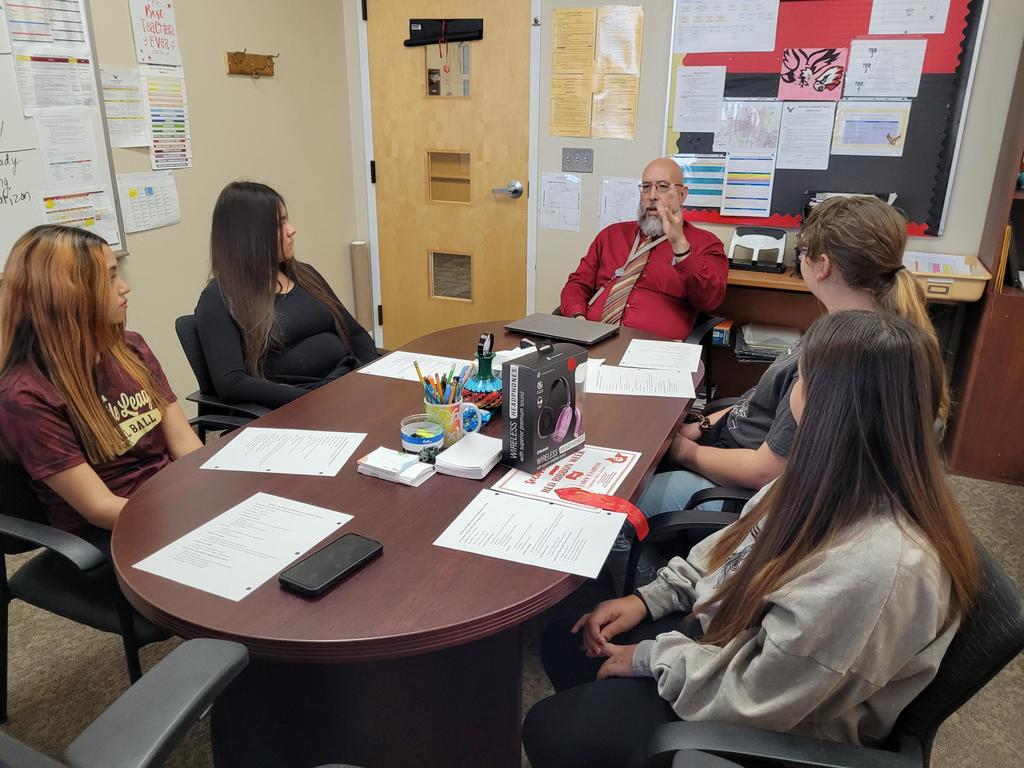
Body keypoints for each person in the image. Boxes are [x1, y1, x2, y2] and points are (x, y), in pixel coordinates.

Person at [522, 311, 980, 768]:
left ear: (828, 406)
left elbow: (761, 697)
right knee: (568, 644)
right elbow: (736, 548)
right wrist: (649, 600)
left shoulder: (880, 567)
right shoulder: (833, 473)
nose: (791, 393)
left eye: (800, 378)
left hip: (773, 725)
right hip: (737, 643)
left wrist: (648, 659)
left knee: (551, 730)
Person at [637, 194, 946, 519]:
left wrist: (685, 453)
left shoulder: (837, 359)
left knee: (627, 503)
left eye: (802, 253)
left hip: (747, 494)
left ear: (823, 266)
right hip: (728, 449)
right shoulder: (843, 329)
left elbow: (763, 472)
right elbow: (760, 403)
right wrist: (702, 424)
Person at [0, 225, 201, 541]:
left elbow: (183, 442)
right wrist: (183, 516)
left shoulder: (131, 348)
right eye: (109, 278)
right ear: (67, 293)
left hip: (172, 503)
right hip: (112, 534)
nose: (124, 287)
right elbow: (99, 507)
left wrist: (212, 494)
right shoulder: (26, 395)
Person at [194, 181, 379, 409]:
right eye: (279, 224)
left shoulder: (305, 274)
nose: (292, 230)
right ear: (250, 237)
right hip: (301, 406)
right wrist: (312, 401)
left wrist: (377, 375)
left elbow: (355, 333)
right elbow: (232, 383)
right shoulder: (218, 299)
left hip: (346, 384)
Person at [559, 158, 727, 340]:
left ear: (682, 194)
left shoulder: (705, 243)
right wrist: (578, 318)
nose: (652, 195)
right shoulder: (612, 235)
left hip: (653, 350)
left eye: (662, 187)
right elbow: (577, 284)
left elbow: (709, 300)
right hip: (593, 338)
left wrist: (679, 244)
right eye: (646, 187)